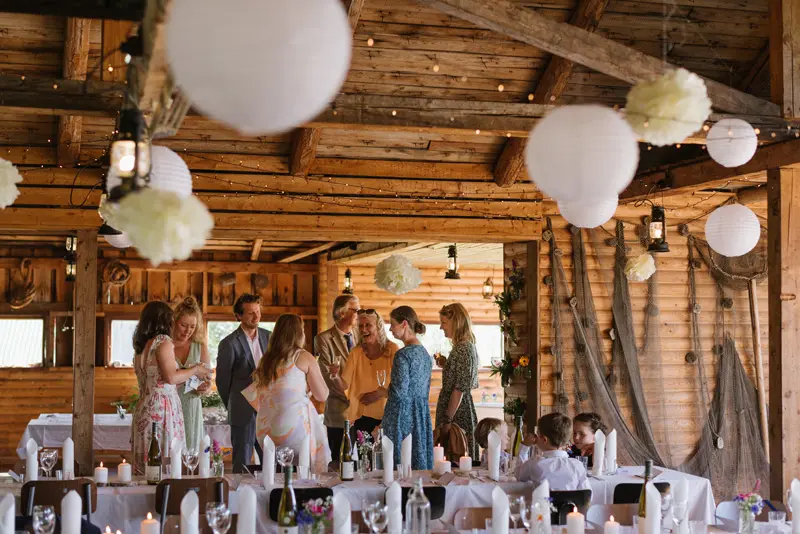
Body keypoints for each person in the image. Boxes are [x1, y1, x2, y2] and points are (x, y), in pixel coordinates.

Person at [131, 301, 212, 474]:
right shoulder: (163, 342)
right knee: (167, 464)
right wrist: (195, 369)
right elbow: (170, 378)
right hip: (162, 411)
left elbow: (158, 382)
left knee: (147, 467)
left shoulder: (142, 346)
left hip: (144, 407)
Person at [244, 314, 331, 474]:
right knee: (304, 471)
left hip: (266, 431)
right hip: (293, 430)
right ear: (299, 333)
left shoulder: (266, 360)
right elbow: (322, 395)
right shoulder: (303, 356)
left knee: (277, 472)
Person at [216, 294, 272, 473]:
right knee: (242, 466)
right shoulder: (228, 343)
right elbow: (222, 382)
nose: (256, 317)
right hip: (242, 412)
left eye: (258, 312)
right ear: (239, 316)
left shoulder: (270, 337)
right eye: (250, 313)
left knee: (271, 462)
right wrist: (234, 405)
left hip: (268, 410)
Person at [329, 309, 398, 439]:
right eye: (360, 326)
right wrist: (335, 376)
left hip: (385, 418)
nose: (363, 329)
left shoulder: (392, 350)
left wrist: (378, 394)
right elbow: (344, 385)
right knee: (362, 452)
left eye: (368, 325)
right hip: (359, 417)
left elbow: (400, 385)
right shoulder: (356, 352)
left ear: (378, 326)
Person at [381, 306, 434, 470]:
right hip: (420, 413)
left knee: (398, 463)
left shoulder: (403, 355)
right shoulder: (425, 354)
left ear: (404, 324)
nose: (390, 329)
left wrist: (382, 392)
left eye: (392, 324)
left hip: (401, 415)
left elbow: (399, 392)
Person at [314, 294, 360, 464]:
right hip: (339, 413)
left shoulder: (361, 335)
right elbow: (328, 379)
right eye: (356, 310)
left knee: (366, 462)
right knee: (340, 463)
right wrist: (353, 399)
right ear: (342, 313)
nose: (359, 314)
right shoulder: (323, 339)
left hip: (364, 413)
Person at [435, 303, 480, 459]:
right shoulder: (464, 347)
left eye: (444, 322)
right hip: (456, 410)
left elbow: (459, 388)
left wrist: (448, 420)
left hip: (457, 414)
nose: (441, 327)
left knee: (455, 458)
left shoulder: (463, 348)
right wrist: (446, 364)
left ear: (456, 322)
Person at [172, 296, 211, 452]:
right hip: (169, 406)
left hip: (191, 408)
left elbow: (208, 381)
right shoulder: (164, 344)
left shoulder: (199, 346)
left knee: (191, 452)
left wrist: (205, 388)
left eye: (192, 327)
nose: (188, 331)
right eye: (183, 325)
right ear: (174, 321)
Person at [516, 412, 590, 490]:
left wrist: (524, 446)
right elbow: (587, 492)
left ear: (544, 439)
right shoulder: (577, 465)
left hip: (544, 498)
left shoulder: (534, 463)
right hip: (572, 498)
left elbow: (518, 475)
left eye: (537, 434)